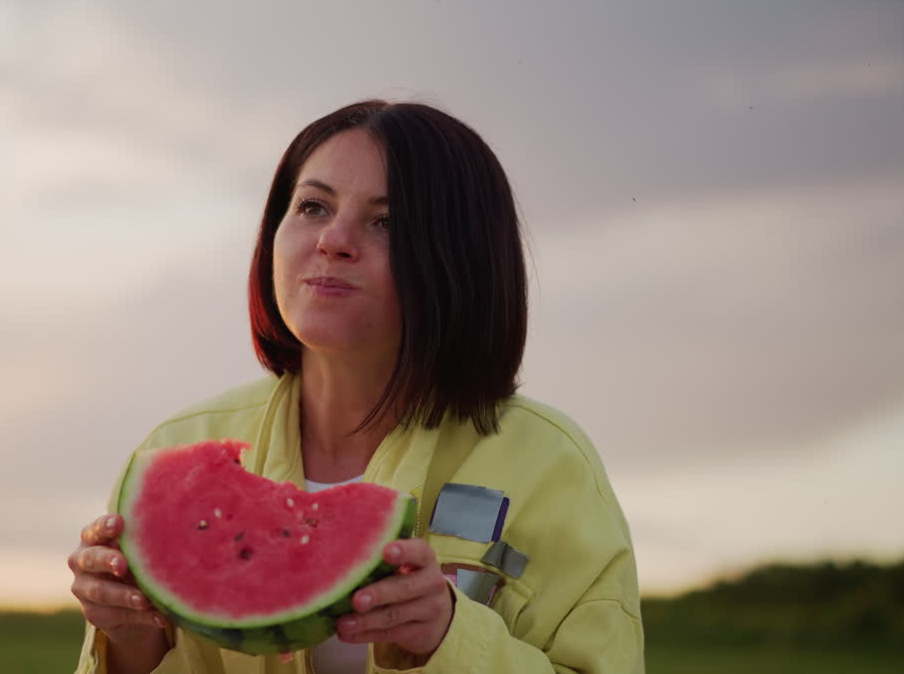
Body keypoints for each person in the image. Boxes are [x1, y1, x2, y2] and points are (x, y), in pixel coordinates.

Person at [68, 100, 644, 673]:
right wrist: (127, 645)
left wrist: (450, 638)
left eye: (387, 221)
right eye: (313, 206)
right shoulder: (180, 448)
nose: (333, 240)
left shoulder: (550, 464)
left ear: (460, 257)